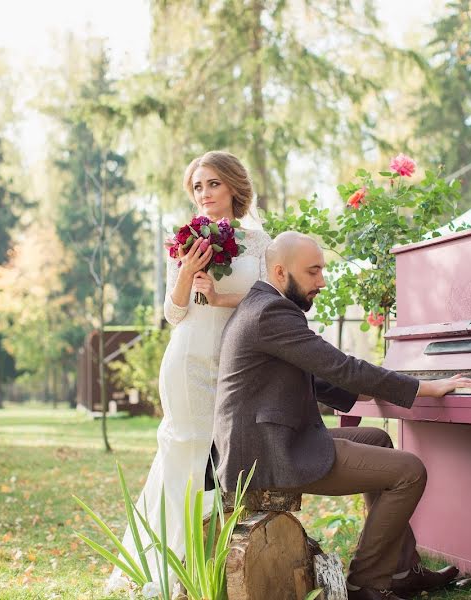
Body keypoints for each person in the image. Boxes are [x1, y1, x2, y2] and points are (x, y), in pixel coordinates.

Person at [212, 231, 471, 600]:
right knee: (409, 471)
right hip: (268, 454)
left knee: (378, 439)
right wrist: (422, 387)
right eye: (313, 272)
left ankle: (402, 570)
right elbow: (339, 366)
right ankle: (365, 582)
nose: (321, 281)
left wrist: (376, 388)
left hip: (271, 441)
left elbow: (317, 374)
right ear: (278, 271)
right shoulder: (271, 312)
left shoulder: (262, 305)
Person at [107, 151, 271, 595]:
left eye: (212, 184)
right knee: (188, 451)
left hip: (239, 363)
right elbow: (173, 313)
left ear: (235, 187)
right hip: (188, 361)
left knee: (227, 459)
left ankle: (219, 559)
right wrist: (188, 272)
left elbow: (269, 304)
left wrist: (219, 298)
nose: (204, 194)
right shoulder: (183, 240)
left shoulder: (259, 243)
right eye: (197, 186)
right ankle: (172, 566)